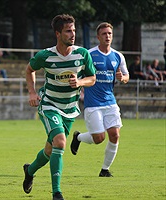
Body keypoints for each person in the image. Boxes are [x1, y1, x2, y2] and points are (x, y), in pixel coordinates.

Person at [23, 14, 96, 200]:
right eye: (68, 31)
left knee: (50, 151)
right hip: (49, 105)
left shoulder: (82, 54)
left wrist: (80, 82)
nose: (72, 34)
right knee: (60, 142)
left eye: (74, 30)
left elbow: (92, 78)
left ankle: (30, 170)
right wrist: (32, 93)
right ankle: (57, 193)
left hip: (70, 109)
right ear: (58, 33)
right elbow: (29, 69)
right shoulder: (45, 56)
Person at [70, 22, 130, 178]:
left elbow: (126, 75)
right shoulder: (89, 54)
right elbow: (79, 74)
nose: (107, 36)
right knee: (98, 138)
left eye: (109, 33)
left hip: (110, 101)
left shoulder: (118, 56)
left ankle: (105, 170)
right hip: (93, 103)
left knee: (115, 135)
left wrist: (122, 78)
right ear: (98, 37)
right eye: (104, 34)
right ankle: (78, 137)